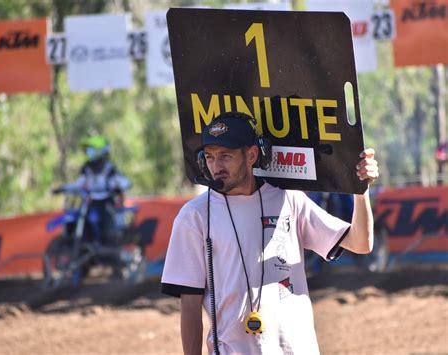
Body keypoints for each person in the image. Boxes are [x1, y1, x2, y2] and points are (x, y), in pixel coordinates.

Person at [161, 112, 379, 355]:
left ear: (252, 155)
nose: (216, 167)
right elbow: (189, 307)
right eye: (210, 157)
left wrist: (361, 190)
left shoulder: (290, 199)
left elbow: (361, 243)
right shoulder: (194, 216)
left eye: (225, 156)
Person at [56, 135, 131, 245]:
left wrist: (116, 187)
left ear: (99, 151)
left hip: (105, 203)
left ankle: (111, 247)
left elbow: (125, 182)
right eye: (87, 151)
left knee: (107, 224)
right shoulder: (87, 169)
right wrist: (63, 188)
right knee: (82, 218)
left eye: (90, 151)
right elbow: (78, 184)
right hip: (90, 203)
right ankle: (86, 244)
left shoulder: (109, 169)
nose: (87, 153)